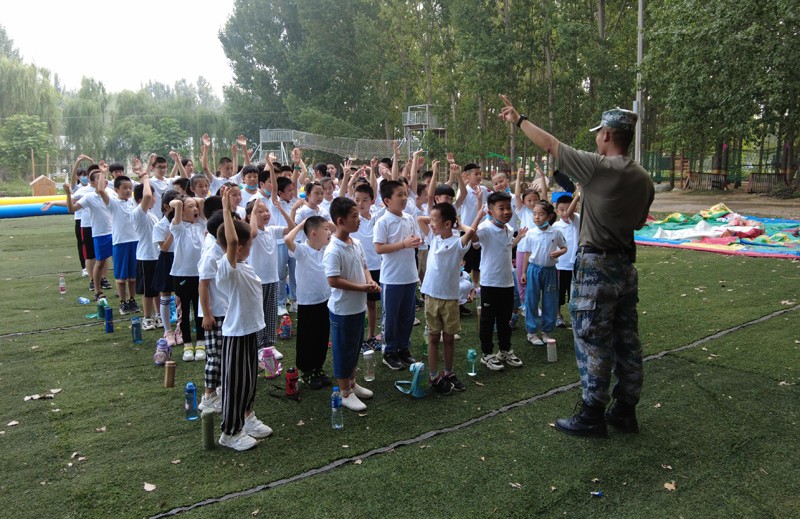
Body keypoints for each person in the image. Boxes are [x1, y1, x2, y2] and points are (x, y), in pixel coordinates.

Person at [499, 96, 654, 437]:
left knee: (592, 338)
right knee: (627, 338)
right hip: (626, 265)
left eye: (599, 134)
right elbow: (640, 222)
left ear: (609, 136)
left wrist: (519, 119)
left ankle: (592, 413)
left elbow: (552, 144)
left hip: (597, 264)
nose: (596, 139)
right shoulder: (644, 178)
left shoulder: (598, 167)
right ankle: (625, 410)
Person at [216, 186, 273, 451]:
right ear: (238, 247)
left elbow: (241, 237)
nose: (251, 242)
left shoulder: (244, 265)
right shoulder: (227, 268)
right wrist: (227, 210)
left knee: (249, 381)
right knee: (235, 384)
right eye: (246, 242)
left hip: (250, 331)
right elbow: (232, 241)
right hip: (236, 333)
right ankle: (230, 431)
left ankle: (246, 417)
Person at [417, 203, 482, 394]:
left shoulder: (457, 243)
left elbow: (470, 231)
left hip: (450, 298)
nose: (430, 224)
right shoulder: (433, 237)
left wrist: (459, 223)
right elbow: (421, 219)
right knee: (433, 337)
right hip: (431, 296)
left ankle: (448, 372)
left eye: (434, 221)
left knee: (449, 338)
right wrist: (435, 220)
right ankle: (434, 375)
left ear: (447, 224)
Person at [324, 196, 381, 411]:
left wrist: (370, 281)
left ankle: (352, 383)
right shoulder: (334, 249)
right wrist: (362, 288)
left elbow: (365, 265)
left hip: (357, 307)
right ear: (340, 221)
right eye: (354, 216)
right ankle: (344, 392)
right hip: (342, 310)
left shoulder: (355, 243)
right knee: (343, 350)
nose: (359, 220)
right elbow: (333, 280)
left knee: (355, 347)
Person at [473, 191, 527, 371]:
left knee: (505, 320)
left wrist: (517, 240)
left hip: (507, 282)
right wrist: (477, 218)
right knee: (488, 320)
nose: (506, 212)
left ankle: (504, 350)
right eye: (501, 208)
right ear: (490, 211)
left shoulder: (509, 229)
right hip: (490, 282)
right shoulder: (485, 228)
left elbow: (506, 246)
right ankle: (487, 354)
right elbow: (472, 238)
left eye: (508, 207)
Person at [374, 177, 421, 370]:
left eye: (405, 194)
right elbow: (378, 248)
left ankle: (404, 348)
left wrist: (416, 241)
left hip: (410, 275)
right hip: (392, 278)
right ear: (387, 200)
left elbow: (417, 238)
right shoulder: (383, 221)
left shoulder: (409, 218)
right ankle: (389, 351)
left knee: (407, 316)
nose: (404, 198)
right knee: (391, 316)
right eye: (399, 195)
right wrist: (403, 244)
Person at [285, 216, 333, 389]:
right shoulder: (302, 250)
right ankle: (307, 370)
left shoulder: (326, 249)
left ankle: (318, 368)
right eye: (325, 229)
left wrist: (326, 225)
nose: (329, 232)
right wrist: (301, 224)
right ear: (313, 233)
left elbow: (336, 231)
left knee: (322, 335)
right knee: (308, 336)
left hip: (325, 300)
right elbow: (287, 239)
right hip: (307, 302)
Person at [519, 200, 567, 346]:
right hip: (534, 270)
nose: (537, 217)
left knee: (550, 301)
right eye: (534, 214)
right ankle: (532, 332)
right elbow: (527, 254)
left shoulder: (556, 232)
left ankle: (546, 331)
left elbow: (564, 247)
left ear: (549, 216)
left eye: (541, 214)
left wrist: (559, 253)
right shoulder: (531, 234)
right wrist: (523, 272)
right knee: (532, 300)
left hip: (550, 272)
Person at [197, 211, 229, 414]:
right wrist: (207, 314)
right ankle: (208, 396)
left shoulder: (223, 251)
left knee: (223, 355)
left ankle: (218, 390)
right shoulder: (211, 254)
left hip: (225, 311)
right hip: (214, 313)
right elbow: (203, 285)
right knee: (214, 357)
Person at [169, 195, 207, 362]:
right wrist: (179, 204)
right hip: (182, 275)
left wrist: (196, 202)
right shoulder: (178, 227)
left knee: (200, 309)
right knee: (184, 311)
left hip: (201, 275)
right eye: (190, 207)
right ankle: (187, 344)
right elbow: (175, 203)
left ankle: (200, 342)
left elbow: (202, 202)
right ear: (182, 212)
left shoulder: (201, 225)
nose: (196, 209)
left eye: (196, 206)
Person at [99, 174, 140, 315]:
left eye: (130, 188)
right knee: (122, 278)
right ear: (116, 190)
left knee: (133, 276)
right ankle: (123, 302)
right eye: (124, 188)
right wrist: (101, 174)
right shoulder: (114, 204)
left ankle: (132, 300)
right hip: (120, 243)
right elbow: (101, 191)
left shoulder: (134, 202)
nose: (128, 191)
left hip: (135, 241)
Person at [552, 192, 581, 327]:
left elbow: (570, 214)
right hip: (560, 266)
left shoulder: (576, 220)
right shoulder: (555, 226)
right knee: (558, 292)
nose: (564, 213)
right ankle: (558, 316)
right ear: (556, 210)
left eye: (567, 209)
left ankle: (574, 317)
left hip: (574, 264)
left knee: (574, 294)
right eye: (561, 210)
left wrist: (578, 195)